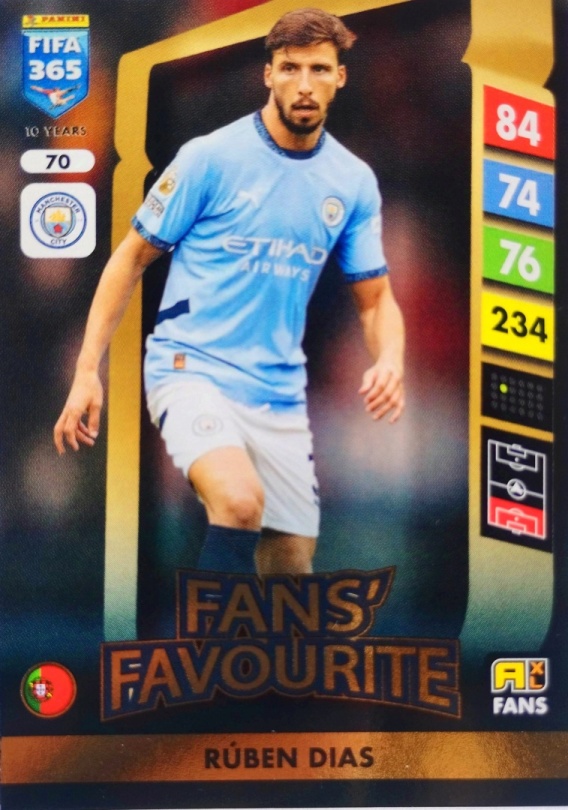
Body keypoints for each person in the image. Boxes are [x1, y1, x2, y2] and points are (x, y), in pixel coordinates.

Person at [53, 8, 405, 576]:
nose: (304, 84)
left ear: (340, 77)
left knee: (289, 564)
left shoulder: (352, 180)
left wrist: (388, 358)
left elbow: (375, 297)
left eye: (319, 69)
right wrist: (89, 367)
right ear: (267, 73)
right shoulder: (208, 156)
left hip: (278, 387)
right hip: (190, 366)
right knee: (237, 503)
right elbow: (130, 257)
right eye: (290, 68)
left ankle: (225, 625)